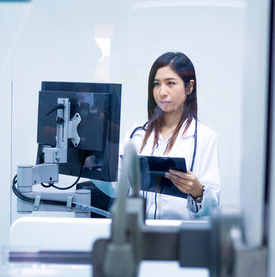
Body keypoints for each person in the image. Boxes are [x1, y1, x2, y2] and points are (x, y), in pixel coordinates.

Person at [94, 52, 220, 220]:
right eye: (156, 84)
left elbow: (212, 207)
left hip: (179, 236)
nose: (162, 92)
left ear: (189, 87)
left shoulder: (206, 137)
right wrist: (92, 164)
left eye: (170, 83)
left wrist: (197, 191)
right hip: (138, 232)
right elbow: (116, 187)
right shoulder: (136, 135)